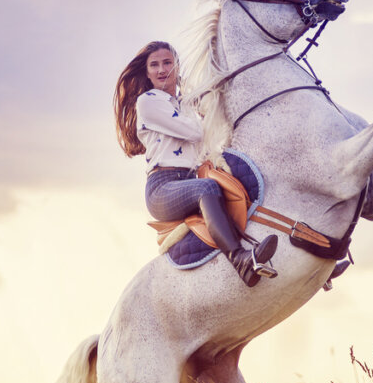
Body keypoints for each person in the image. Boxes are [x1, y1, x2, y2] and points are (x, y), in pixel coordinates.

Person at [113, 41, 278, 287]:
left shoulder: (187, 102)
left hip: (193, 178)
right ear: (146, 73)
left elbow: (215, 134)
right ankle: (240, 259)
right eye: (154, 65)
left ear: (177, 67)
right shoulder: (149, 101)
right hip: (163, 189)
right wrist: (203, 106)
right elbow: (196, 132)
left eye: (167, 63)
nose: (162, 70)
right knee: (207, 189)